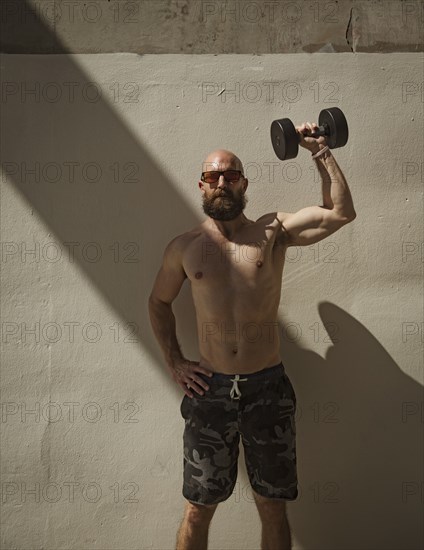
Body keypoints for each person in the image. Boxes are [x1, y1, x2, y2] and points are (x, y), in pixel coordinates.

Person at [148, 121, 356, 550]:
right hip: (210, 392)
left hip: (268, 389)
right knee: (198, 506)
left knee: (272, 504)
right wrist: (175, 361)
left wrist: (320, 150)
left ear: (244, 182)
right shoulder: (184, 248)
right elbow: (158, 302)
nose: (221, 182)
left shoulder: (272, 231)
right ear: (201, 186)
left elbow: (340, 212)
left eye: (231, 175)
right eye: (212, 176)